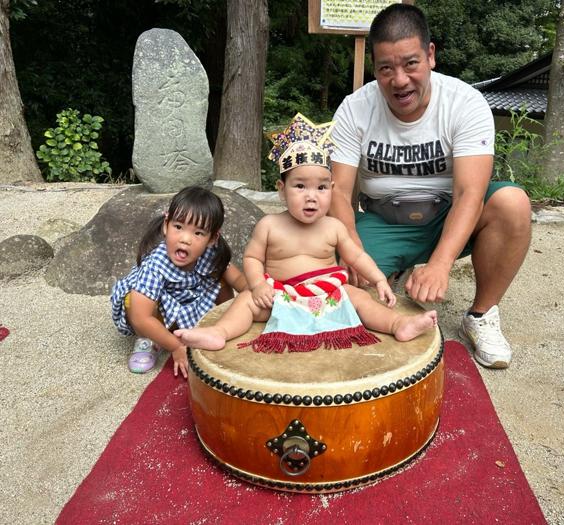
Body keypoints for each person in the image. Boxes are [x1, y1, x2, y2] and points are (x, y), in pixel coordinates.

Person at [329, 4, 532, 369]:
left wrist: (441, 265)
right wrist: (351, 247)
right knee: (337, 293)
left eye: (410, 64)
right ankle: (393, 268)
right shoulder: (354, 109)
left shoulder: (464, 103)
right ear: (374, 68)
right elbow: (340, 192)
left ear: (431, 56)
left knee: (512, 203)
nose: (399, 80)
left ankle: (481, 314)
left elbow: (470, 194)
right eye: (386, 68)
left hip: (448, 216)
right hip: (383, 220)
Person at [175, 114, 436, 353]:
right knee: (245, 301)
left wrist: (379, 279)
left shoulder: (334, 226)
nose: (311, 197)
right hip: (282, 295)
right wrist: (257, 285)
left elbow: (356, 256)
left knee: (360, 297)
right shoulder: (269, 225)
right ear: (281, 189)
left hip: (329, 294)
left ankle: (398, 324)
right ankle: (219, 332)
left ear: (332, 189)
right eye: (300, 186)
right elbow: (253, 259)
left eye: (321, 188)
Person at [111, 186, 247, 377]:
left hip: (188, 304)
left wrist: (256, 292)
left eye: (198, 233)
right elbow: (140, 317)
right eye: (178, 227)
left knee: (221, 277)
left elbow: (239, 280)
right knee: (134, 301)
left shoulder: (212, 254)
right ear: (166, 225)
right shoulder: (155, 264)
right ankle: (149, 341)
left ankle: (219, 325)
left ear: (212, 238)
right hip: (154, 315)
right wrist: (176, 347)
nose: (185, 239)